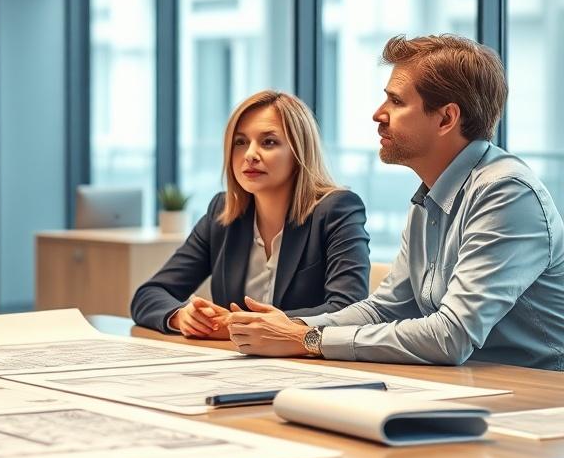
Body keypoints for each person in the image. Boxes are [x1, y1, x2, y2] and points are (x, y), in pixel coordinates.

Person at [227, 35, 564, 370]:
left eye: (396, 102)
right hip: (469, 385)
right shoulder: (429, 198)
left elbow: (451, 336)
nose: (378, 114)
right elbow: (385, 308)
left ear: (446, 119)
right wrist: (292, 329)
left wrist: (308, 340)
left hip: (536, 396)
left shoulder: (505, 192)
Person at [131, 90, 370, 338]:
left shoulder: (338, 210)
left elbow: (348, 310)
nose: (250, 155)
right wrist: (182, 316)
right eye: (240, 142)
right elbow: (148, 295)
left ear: (299, 151)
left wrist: (242, 324)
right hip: (236, 365)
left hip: (310, 365)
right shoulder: (222, 213)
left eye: (268, 142)